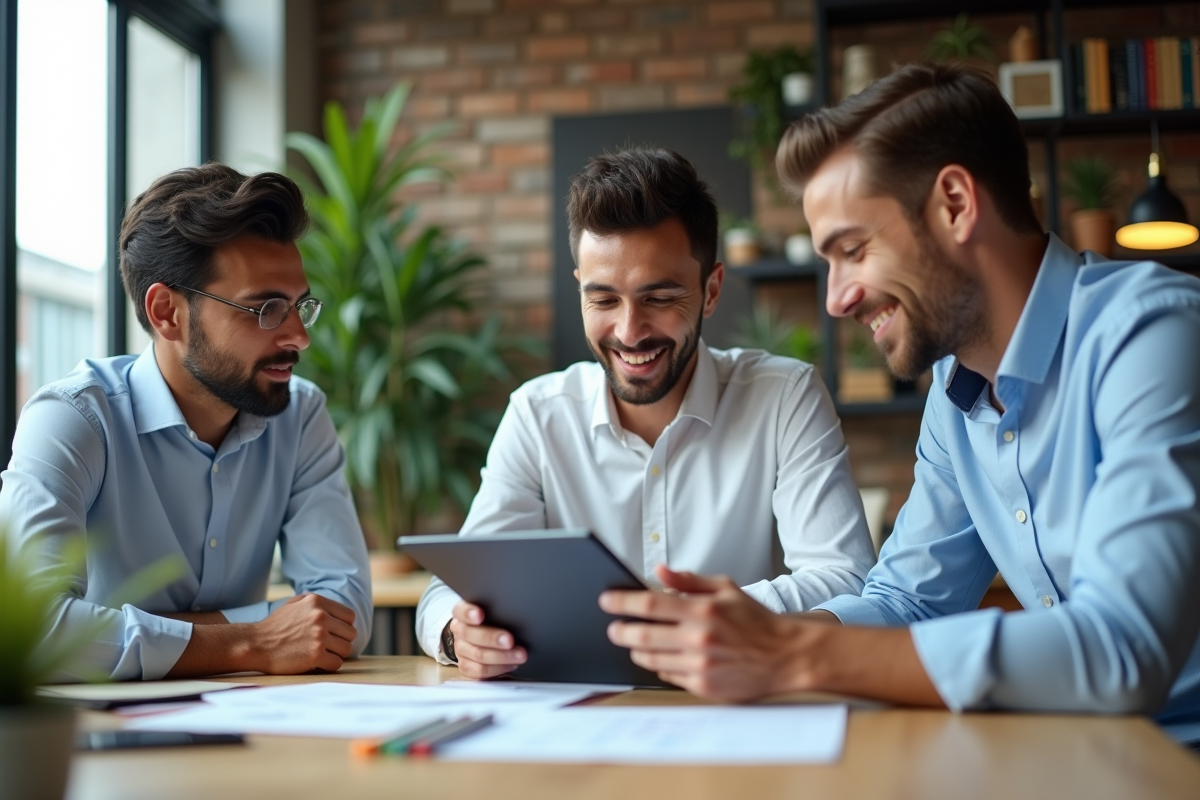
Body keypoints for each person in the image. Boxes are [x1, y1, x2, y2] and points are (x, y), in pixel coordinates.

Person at [600, 63, 1200, 745]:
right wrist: (757, 631)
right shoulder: (955, 393)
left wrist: (792, 654)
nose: (836, 298)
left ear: (954, 204)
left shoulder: (1154, 335)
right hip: (1086, 752)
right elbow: (908, 600)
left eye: (853, 250)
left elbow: (1124, 649)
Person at [417, 147, 876, 679]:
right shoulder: (537, 415)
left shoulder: (783, 396)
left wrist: (699, 619)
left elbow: (847, 580)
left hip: (738, 714)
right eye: (605, 300)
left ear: (711, 290)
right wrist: (459, 634)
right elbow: (449, 590)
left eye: (659, 298)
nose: (630, 332)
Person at [0, 164, 372, 681]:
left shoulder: (300, 414)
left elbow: (343, 613)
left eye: (298, 306)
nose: (298, 337)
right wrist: (252, 642)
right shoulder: (72, 419)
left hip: (253, 730)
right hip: (99, 745)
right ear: (166, 313)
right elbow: (29, 631)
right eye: (265, 308)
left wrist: (135, 635)